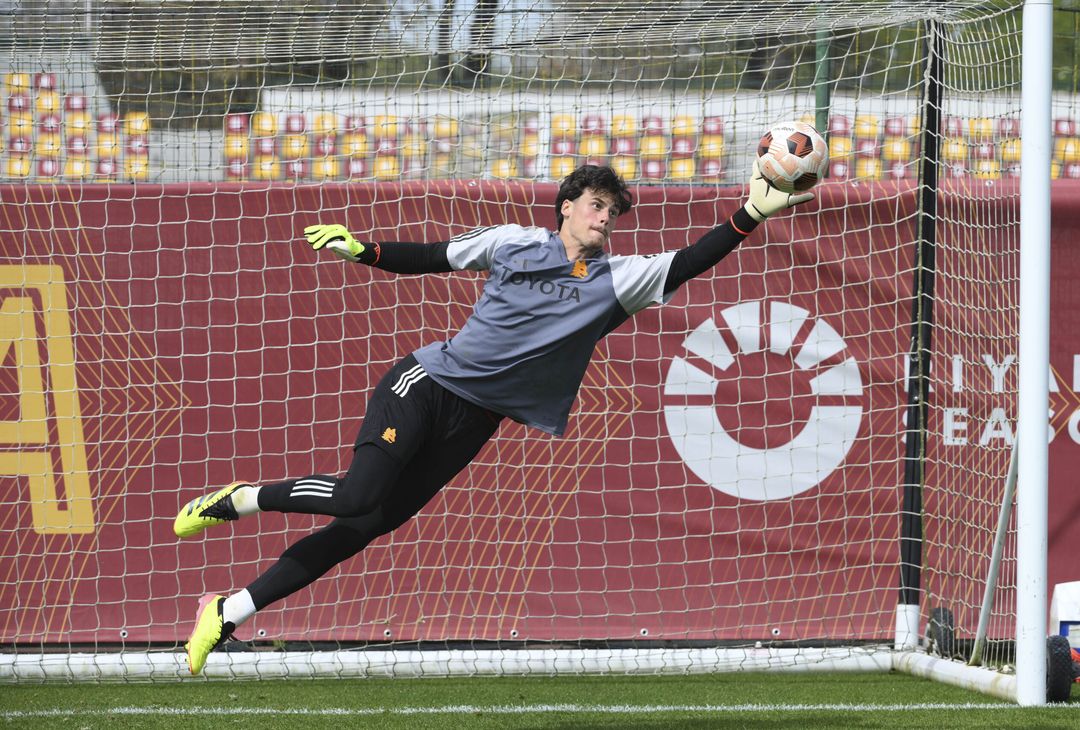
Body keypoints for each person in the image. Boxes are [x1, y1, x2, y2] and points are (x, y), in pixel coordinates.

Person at [173, 161, 813, 675]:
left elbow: (690, 260)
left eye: (614, 213)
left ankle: (227, 612)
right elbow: (434, 257)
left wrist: (750, 214)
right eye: (597, 205)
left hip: (478, 421)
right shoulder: (516, 244)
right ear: (566, 207)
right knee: (357, 494)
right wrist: (363, 250)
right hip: (425, 384)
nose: (606, 218)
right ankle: (243, 497)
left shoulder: (621, 278)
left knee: (362, 528)